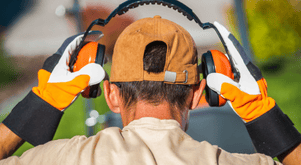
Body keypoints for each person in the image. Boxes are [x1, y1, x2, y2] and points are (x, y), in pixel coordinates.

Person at [0, 15, 300, 165]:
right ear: (198, 95)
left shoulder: (67, 158)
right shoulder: (224, 161)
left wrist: (40, 104)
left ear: (110, 95)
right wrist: (262, 112)